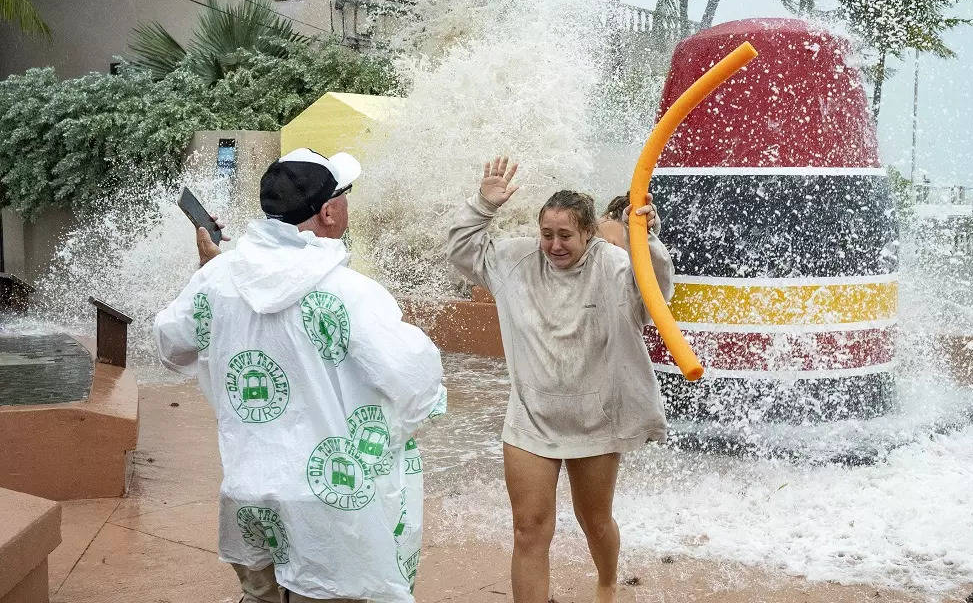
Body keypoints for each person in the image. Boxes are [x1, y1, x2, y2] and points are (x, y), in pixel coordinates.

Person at [154, 148, 445, 603]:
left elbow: (171, 344)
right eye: (345, 194)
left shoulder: (219, 279)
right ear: (329, 212)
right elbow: (417, 383)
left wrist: (207, 274)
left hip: (248, 494)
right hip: (332, 505)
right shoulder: (351, 293)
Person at [446, 157, 672, 603]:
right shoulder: (515, 259)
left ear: (588, 232)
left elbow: (656, 294)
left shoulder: (613, 266)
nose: (554, 245)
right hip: (531, 419)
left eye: (565, 235)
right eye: (546, 234)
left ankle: (606, 584)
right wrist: (482, 206)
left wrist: (644, 242)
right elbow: (462, 252)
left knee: (596, 521)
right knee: (528, 528)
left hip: (595, 419)